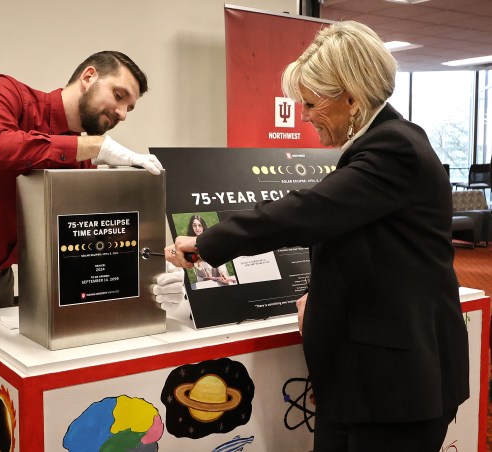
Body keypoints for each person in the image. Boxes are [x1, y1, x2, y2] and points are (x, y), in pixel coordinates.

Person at [165, 22, 469, 451]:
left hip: (399, 389)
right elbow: (357, 240)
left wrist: (208, 242)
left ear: (350, 95)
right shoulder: (379, 147)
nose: (303, 116)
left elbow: (308, 212)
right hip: (367, 383)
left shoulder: (394, 149)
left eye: (310, 103)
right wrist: (319, 293)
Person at [0, 50, 183, 451]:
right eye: (120, 95)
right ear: (89, 77)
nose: (123, 114)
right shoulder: (5, 94)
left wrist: (154, 276)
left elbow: (81, 246)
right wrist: (90, 148)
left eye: (130, 107)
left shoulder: (80, 159)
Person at [186, 214, 235, 286]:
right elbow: (196, 265)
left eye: (200, 225)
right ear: (191, 226)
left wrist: (223, 273)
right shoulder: (189, 243)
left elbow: (219, 258)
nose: (197, 228)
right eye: (194, 225)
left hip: (218, 277)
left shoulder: (211, 240)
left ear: (203, 226)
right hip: (202, 279)